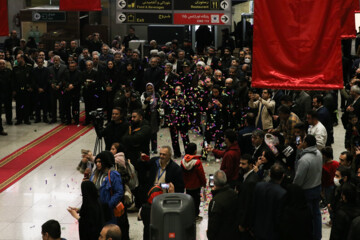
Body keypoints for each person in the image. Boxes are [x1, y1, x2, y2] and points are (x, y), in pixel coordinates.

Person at [293, 135, 322, 240]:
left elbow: (298, 179)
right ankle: (317, 236)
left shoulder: (304, 160)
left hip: (307, 191)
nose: (301, 142)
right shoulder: (319, 153)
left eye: (303, 141)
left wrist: (294, 190)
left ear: (306, 143)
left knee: (308, 217)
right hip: (317, 186)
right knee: (317, 214)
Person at [252, 164, 287, 240]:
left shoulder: (258, 186)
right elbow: (279, 217)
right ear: (283, 176)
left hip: (257, 228)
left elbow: (253, 207)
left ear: (270, 174)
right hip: (272, 232)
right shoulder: (282, 193)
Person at [207, 170, 239, 240]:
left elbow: (213, 223)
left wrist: (210, 235)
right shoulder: (234, 193)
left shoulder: (216, 202)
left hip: (221, 235)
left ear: (214, 182)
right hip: (233, 232)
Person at [181, 142, 206, 220]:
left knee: (189, 200)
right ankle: (195, 215)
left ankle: (189, 214)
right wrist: (204, 183)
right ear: (195, 151)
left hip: (187, 186)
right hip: (196, 185)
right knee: (196, 201)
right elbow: (201, 174)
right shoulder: (197, 162)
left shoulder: (182, 162)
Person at [141, 83, 163, 154]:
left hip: (154, 116)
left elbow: (160, 105)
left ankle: (154, 148)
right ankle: (146, 148)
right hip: (146, 116)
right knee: (146, 132)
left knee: (154, 133)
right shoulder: (144, 95)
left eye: (151, 88)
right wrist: (146, 101)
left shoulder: (156, 95)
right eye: (148, 89)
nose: (150, 90)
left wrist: (161, 116)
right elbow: (142, 106)